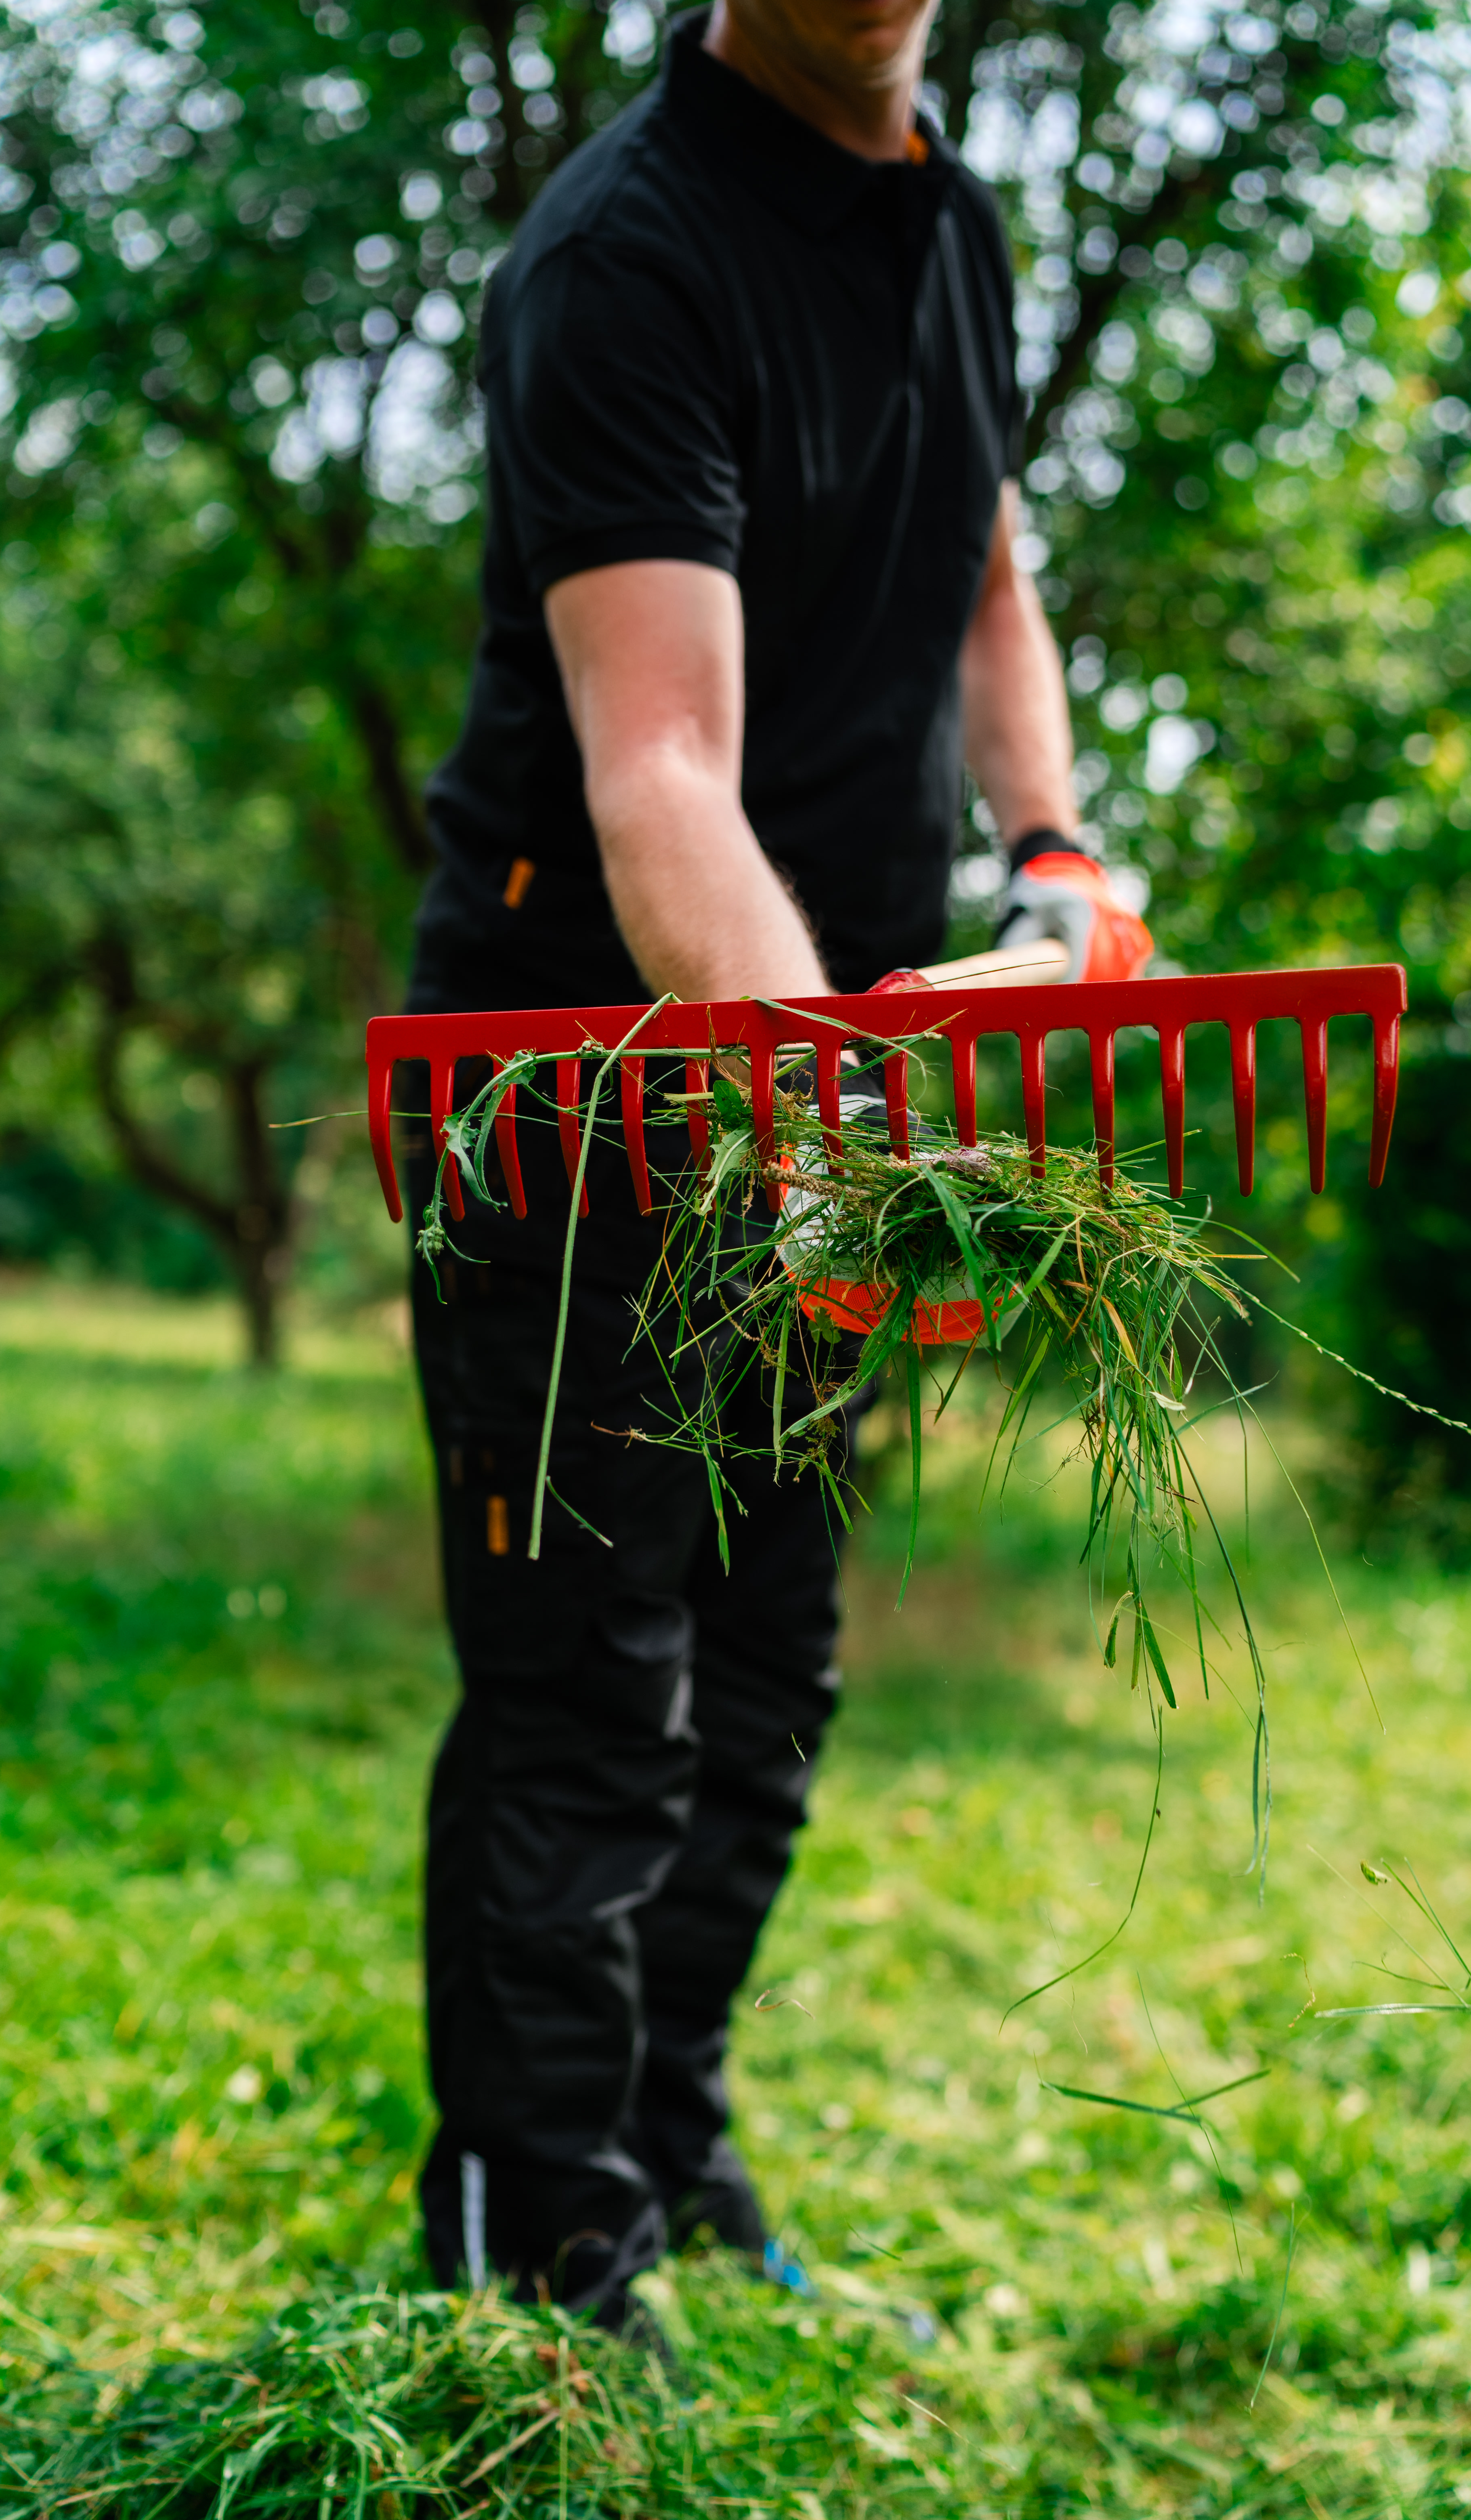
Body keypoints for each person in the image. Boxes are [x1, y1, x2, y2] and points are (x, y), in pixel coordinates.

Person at [401, 0, 1146, 2327]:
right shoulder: (626, 257)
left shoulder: (958, 223)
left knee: (765, 1664)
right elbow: (659, 776)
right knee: (593, 1680)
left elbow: (988, 560)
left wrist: (1048, 843)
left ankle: (665, 2142)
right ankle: (538, 2268)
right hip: (584, 1080)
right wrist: (836, 1111)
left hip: (828, 1095)